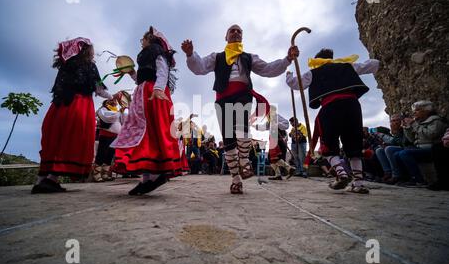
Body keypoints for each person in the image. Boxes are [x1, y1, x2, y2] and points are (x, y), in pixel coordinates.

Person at [182, 24, 298, 194]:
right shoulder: (217, 57)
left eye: (239, 31)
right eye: (232, 30)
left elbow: (268, 69)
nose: (236, 32)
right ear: (226, 36)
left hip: (243, 96)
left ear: (242, 37)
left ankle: (244, 161)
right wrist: (191, 54)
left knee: (242, 130)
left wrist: (287, 59)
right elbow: (199, 67)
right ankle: (236, 180)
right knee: (229, 141)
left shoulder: (249, 57)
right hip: (223, 99)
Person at [286, 48, 379, 194]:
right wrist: (377, 60)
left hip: (330, 108)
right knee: (354, 145)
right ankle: (359, 183)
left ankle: (341, 174)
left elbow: (295, 84)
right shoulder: (347, 65)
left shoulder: (313, 72)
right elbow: (372, 64)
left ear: (317, 61)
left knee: (328, 146)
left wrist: (289, 76)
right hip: (352, 106)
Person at [33, 37, 114, 194]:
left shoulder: (66, 66)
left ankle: (40, 181)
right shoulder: (89, 66)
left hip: (58, 107)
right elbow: (99, 90)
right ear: (87, 51)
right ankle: (52, 179)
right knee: (72, 140)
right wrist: (113, 96)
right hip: (78, 106)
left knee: (55, 141)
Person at [111, 26, 181, 195]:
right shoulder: (146, 54)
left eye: (142, 39)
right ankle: (147, 179)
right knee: (144, 135)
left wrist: (157, 89)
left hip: (153, 93)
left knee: (152, 132)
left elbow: (162, 71)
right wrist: (132, 74)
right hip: (143, 93)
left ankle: (155, 176)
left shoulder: (155, 50)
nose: (141, 42)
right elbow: (141, 79)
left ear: (149, 38)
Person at [398, 101, 448, 187]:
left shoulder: (436, 121)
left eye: (417, 110)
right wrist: (407, 128)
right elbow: (412, 139)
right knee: (396, 154)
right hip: (420, 148)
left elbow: (431, 134)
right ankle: (404, 178)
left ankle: (419, 180)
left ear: (426, 111)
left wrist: (414, 124)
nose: (414, 113)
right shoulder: (419, 123)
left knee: (404, 153)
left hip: (431, 148)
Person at [92, 98, 125, 182]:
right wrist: (119, 112)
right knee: (101, 153)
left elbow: (122, 121)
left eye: (115, 101)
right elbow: (108, 118)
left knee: (110, 155)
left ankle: (105, 174)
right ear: (106, 102)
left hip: (115, 135)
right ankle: (96, 174)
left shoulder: (117, 110)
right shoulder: (102, 110)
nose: (114, 101)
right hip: (106, 134)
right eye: (111, 100)